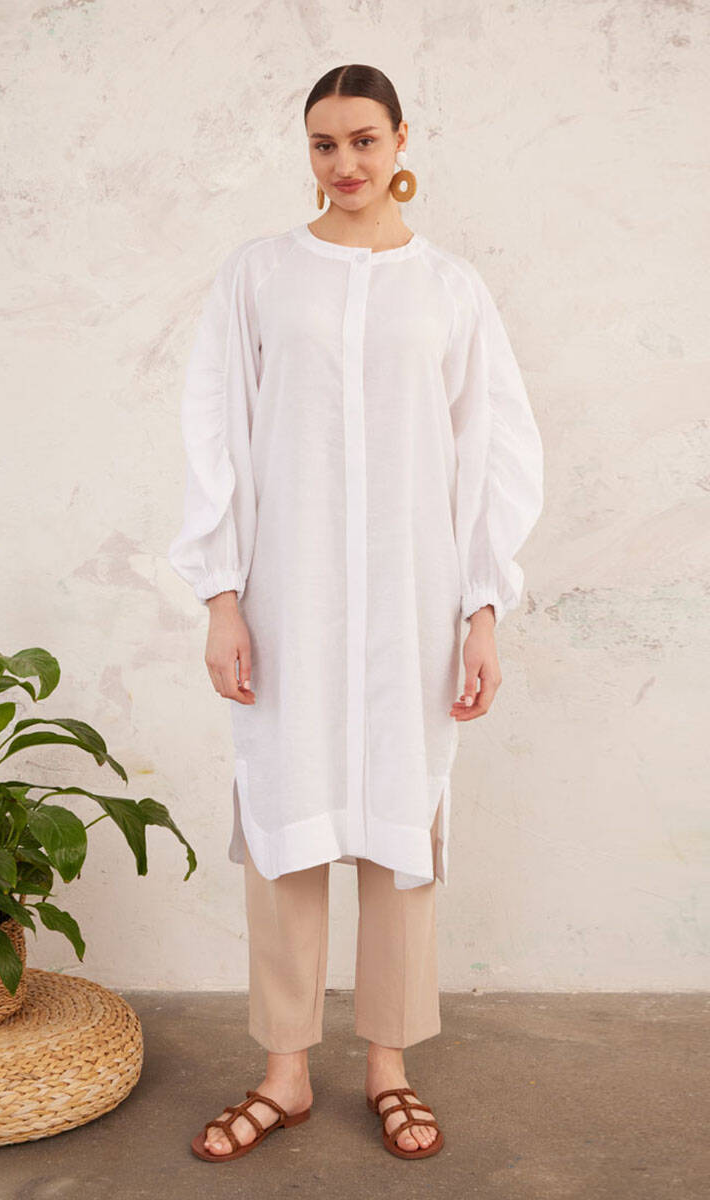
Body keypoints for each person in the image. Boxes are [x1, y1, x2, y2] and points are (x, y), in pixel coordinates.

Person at [169, 63, 544, 1162]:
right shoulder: (258, 276)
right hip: (287, 596)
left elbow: (491, 451)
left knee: (399, 824)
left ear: (401, 140)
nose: (344, 163)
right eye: (324, 144)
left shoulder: (451, 291)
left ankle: (388, 1067)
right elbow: (214, 435)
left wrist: (483, 609)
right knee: (285, 822)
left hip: (413, 600)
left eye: (363, 140)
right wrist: (221, 597)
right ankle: (284, 1074)